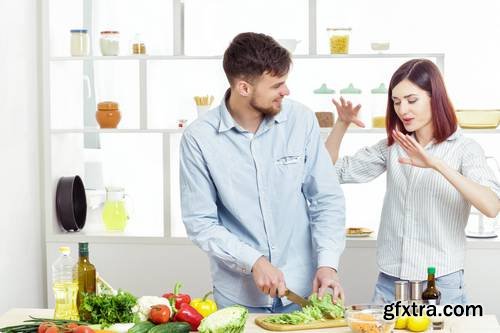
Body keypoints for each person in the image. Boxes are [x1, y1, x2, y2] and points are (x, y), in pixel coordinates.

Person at [180, 32, 346, 313]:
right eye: (277, 85)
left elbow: (326, 199)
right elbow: (201, 222)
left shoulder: (301, 120)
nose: (286, 92)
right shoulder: (199, 139)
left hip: (302, 291)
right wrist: (253, 260)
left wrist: (327, 265)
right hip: (239, 298)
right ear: (244, 88)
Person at [326, 59, 500, 305]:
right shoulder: (393, 147)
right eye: (396, 102)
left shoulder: (464, 149)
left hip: (440, 284)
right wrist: (341, 124)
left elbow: (491, 206)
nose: (402, 110)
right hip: (390, 283)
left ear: (434, 97)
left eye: (411, 100)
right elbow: (330, 171)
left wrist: (435, 164)